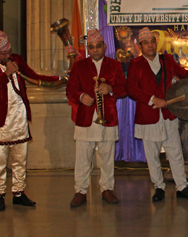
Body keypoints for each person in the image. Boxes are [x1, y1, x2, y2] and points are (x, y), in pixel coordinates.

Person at [0, 30, 63, 211]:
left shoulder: (17, 60)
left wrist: (60, 79)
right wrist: (6, 73)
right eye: (4, 54)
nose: (8, 56)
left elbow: (34, 77)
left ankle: (19, 193)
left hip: (19, 118)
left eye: (9, 52)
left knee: (20, 160)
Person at [126, 27, 188, 202]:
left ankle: (182, 187)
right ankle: (159, 187)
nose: (150, 45)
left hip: (168, 114)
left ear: (156, 43)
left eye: (152, 41)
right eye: (146, 43)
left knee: (175, 152)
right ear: (140, 46)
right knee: (152, 156)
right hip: (148, 115)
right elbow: (131, 89)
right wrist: (152, 99)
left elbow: (183, 73)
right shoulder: (135, 64)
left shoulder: (167, 59)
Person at [66, 29, 127, 207]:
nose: (95, 50)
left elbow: (124, 89)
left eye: (98, 46)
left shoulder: (114, 65)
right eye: (91, 47)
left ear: (105, 46)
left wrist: (110, 89)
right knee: (83, 157)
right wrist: (80, 96)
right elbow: (70, 90)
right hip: (85, 118)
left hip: (108, 118)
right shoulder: (79, 66)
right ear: (87, 49)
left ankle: (107, 189)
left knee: (107, 157)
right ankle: (80, 191)